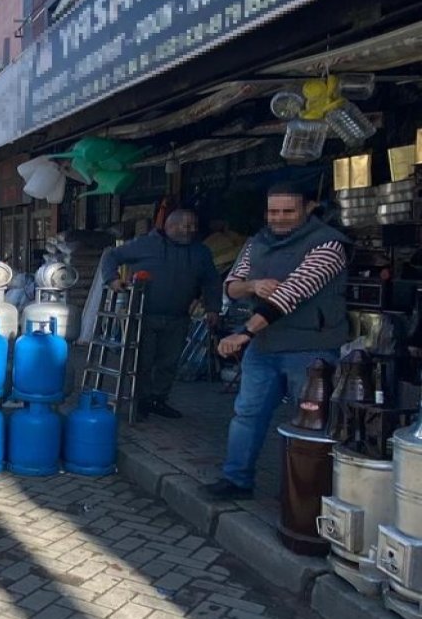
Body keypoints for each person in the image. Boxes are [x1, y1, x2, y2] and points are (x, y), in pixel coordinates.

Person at [205, 183, 349, 500]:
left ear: (307, 209)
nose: (279, 218)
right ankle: (236, 481)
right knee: (247, 414)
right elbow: (231, 285)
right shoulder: (258, 242)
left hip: (310, 350)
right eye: (273, 211)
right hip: (266, 345)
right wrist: (253, 284)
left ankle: (307, 494)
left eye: (288, 211)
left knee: (310, 424)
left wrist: (244, 333)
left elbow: (289, 296)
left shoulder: (329, 245)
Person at [98, 210, 222, 419]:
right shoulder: (145, 244)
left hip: (178, 316)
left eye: (193, 225)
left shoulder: (200, 252)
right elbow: (111, 255)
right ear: (171, 226)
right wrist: (112, 279)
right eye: (187, 225)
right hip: (144, 314)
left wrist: (213, 308)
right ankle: (139, 402)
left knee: (169, 362)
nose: (193, 230)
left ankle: (158, 399)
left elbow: (211, 281)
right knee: (141, 361)